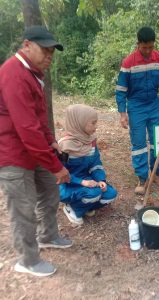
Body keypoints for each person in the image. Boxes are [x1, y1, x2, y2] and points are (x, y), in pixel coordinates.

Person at [0, 25, 72, 277]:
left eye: (52, 51)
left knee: (50, 190)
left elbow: (39, 118)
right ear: (27, 45)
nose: (49, 56)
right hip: (12, 153)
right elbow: (27, 128)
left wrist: (50, 141)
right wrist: (57, 166)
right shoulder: (14, 73)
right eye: (45, 50)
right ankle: (28, 260)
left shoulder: (32, 73)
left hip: (34, 149)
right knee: (23, 207)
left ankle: (48, 235)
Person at [115, 26, 159, 195]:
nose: (148, 51)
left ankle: (156, 173)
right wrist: (122, 113)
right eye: (144, 47)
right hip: (136, 106)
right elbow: (121, 89)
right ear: (138, 44)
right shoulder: (128, 62)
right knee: (139, 143)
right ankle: (142, 177)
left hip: (154, 105)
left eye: (150, 47)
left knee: (158, 141)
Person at [58, 104, 118, 225]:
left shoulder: (90, 141)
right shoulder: (63, 146)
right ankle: (72, 208)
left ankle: (86, 206)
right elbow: (60, 173)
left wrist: (101, 180)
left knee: (110, 194)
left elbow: (96, 164)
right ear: (79, 122)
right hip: (66, 184)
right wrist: (82, 182)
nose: (96, 127)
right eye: (93, 123)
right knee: (93, 194)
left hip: (86, 179)